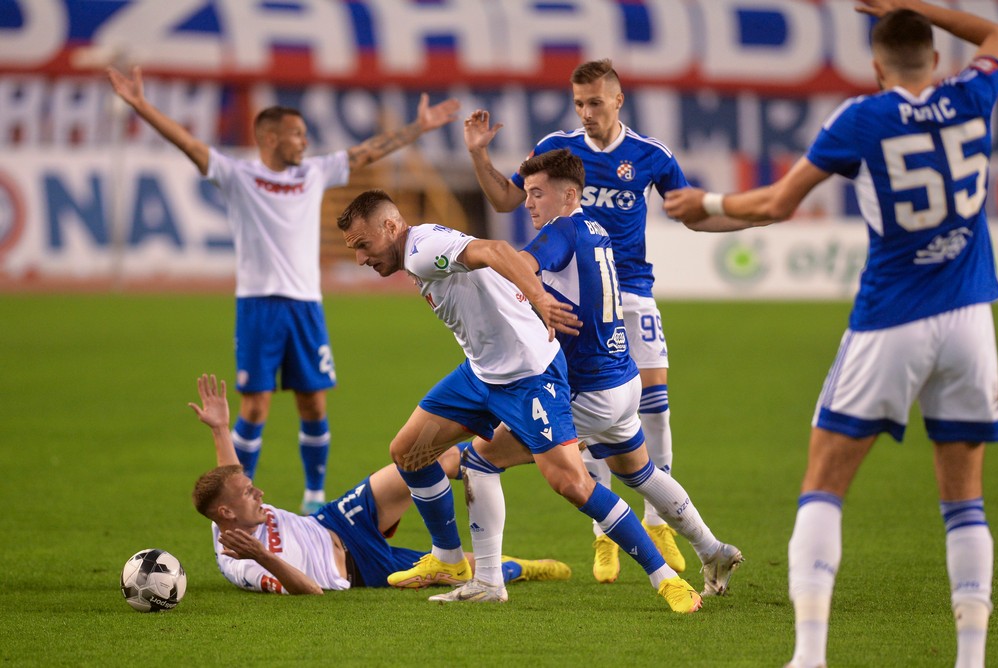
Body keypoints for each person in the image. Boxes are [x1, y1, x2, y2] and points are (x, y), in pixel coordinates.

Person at [663, 1, 998, 666]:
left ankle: (810, 655)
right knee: (964, 500)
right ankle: (972, 659)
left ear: (877, 67)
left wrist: (702, 202)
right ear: (936, 61)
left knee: (824, 480)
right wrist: (918, 4)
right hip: (971, 319)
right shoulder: (972, 93)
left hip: (892, 319)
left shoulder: (862, 117)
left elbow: (775, 203)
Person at [108, 66, 460, 514]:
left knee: (313, 402)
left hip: (306, 306)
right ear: (270, 138)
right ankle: (241, 497)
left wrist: (419, 128)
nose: (305, 141)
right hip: (257, 305)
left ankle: (314, 499)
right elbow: (190, 144)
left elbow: (366, 152)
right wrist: (139, 104)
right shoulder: (238, 175)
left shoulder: (313, 173)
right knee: (254, 408)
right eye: (297, 134)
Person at [336, 189, 702, 612]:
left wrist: (539, 296)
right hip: (481, 374)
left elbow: (494, 249)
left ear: (390, 227)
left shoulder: (421, 250)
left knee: (572, 484)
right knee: (409, 452)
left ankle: (666, 580)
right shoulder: (416, 250)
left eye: (364, 246)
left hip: (529, 376)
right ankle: (451, 562)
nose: (361, 258)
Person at [435, 149, 742, 604]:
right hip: (622, 380)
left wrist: (456, 270)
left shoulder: (559, 233)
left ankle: (487, 582)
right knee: (638, 471)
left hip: (587, 390)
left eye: (537, 193)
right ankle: (712, 549)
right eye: (528, 193)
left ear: (569, 195)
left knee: (480, 461)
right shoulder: (595, 227)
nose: (528, 202)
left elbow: (520, 268)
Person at [464, 59, 691, 582]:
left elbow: (691, 212)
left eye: (594, 102)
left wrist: (749, 212)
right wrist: (479, 153)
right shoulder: (557, 150)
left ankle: (658, 522)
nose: (586, 113)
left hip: (631, 290)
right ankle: (606, 535)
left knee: (653, 403)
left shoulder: (652, 156)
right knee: (585, 409)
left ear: (617, 100)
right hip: (571, 296)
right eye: (579, 104)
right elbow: (505, 199)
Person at [188, 373, 572, 594]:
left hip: (336, 520)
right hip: (360, 568)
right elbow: (311, 591)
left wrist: (221, 428)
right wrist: (261, 555)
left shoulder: (225, 511)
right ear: (227, 513)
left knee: (418, 458)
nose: (260, 493)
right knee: (464, 568)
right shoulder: (242, 562)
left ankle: (519, 444)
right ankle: (526, 566)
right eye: (249, 494)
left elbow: (230, 480)